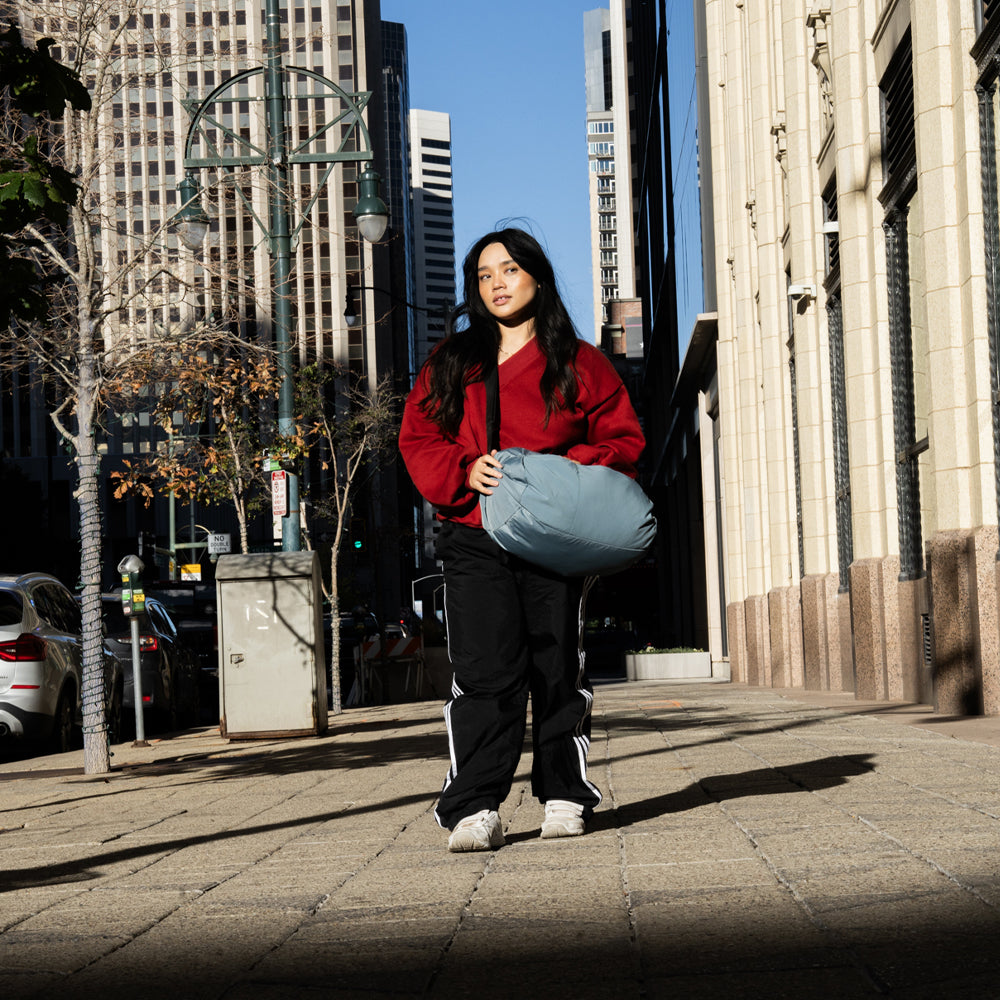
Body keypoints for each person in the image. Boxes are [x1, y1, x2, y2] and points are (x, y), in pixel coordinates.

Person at [398, 227, 645, 852]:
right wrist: (463, 470)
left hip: (554, 537)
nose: (497, 284)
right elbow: (419, 438)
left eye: (508, 270)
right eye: (484, 275)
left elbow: (624, 443)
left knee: (556, 666)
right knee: (484, 674)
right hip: (474, 535)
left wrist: (559, 471)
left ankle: (565, 792)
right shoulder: (452, 361)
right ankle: (476, 805)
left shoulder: (580, 362)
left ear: (537, 276)